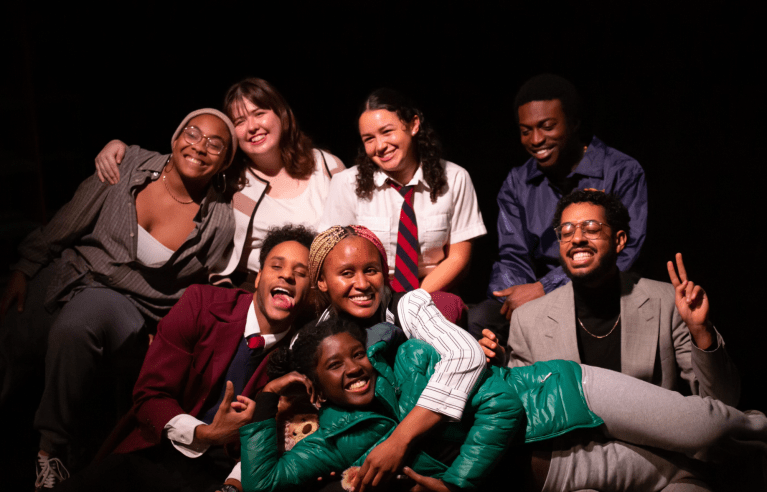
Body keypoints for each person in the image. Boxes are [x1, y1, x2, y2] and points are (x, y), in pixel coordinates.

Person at [238, 317, 766, 492]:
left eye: (357, 354)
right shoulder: (337, 437)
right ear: (316, 386)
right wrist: (267, 398)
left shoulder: (409, 358)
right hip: (546, 465)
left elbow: (501, 407)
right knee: (689, 475)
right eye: (337, 366)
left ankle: (757, 426)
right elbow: (263, 483)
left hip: (561, 395)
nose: (356, 367)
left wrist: (455, 483)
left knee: (707, 433)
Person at [0, 108, 238, 489]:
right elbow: (70, 219)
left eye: (215, 144)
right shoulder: (127, 164)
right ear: (176, 138)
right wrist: (24, 267)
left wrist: (166, 334)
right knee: (13, 328)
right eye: (192, 133)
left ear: (224, 161)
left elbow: (200, 290)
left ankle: (51, 451)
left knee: (80, 322)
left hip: (128, 304)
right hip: (73, 272)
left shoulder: (219, 219)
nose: (200, 146)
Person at [53, 225, 316, 492]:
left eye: (300, 273)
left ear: (311, 294)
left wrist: (233, 485)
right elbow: (149, 395)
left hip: (221, 475)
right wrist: (206, 434)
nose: (287, 276)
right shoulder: (201, 303)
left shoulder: (302, 357)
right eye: (277, 266)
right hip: (156, 450)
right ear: (259, 278)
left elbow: (280, 443)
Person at [480, 189, 740, 407]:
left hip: (650, 450)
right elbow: (523, 407)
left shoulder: (666, 302)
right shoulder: (528, 319)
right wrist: (499, 367)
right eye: (567, 231)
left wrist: (701, 331)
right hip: (572, 455)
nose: (577, 238)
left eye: (591, 228)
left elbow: (722, 403)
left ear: (619, 241)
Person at [94, 77, 345, 289]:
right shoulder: (230, 182)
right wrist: (122, 150)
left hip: (332, 290)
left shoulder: (327, 166)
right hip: (265, 296)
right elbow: (183, 159)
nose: (252, 127)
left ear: (281, 114)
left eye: (259, 113)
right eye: (240, 122)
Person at [469, 74, 647, 343]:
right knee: (480, 320)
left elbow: (626, 251)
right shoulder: (517, 182)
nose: (536, 139)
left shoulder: (622, 171)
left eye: (547, 126)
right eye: (526, 130)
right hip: (536, 289)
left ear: (574, 123)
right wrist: (512, 295)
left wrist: (546, 288)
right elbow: (513, 253)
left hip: (602, 285)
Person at [318, 88, 486, 294]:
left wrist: (413, 301)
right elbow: (333, 257)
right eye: (369, 139)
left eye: (387, 131)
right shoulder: (345, 183)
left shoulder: (455, 178)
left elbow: (458, 257)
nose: (380, 146)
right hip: (368, 292)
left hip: (431, 291)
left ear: (413, 125)